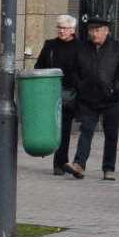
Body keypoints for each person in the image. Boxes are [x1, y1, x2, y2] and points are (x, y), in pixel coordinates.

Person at [67, 16, 119, 181]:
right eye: (91, 31)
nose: (94, 34)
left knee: (111, 135)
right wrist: (80, 85)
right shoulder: (82, 49)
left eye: (97, 31)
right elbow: (73, 70)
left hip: (111, 99)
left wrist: (115, 88)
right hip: (88, 99)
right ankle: (79, 165)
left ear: (106, 31)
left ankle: (108, 169)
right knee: (86, 131)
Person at [34, 14, 81, 175]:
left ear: (73, 30)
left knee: (65, 128)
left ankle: (60, 163)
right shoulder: (50, 45)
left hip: (70, 93)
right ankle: (58, 162)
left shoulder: (80, 47)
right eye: (60, 28)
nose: (62, 31)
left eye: (65, 28)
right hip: (50, 92)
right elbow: (39, 66)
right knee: (54, 127)